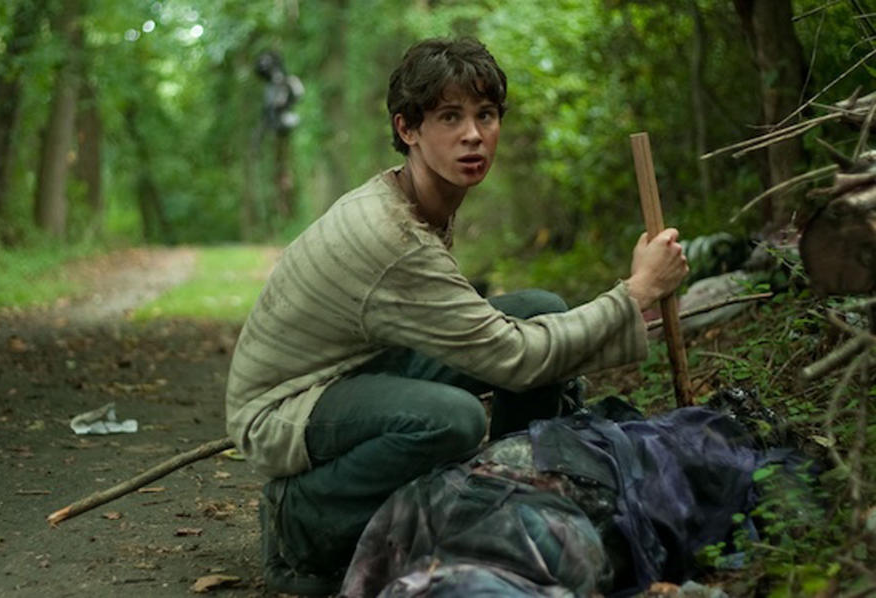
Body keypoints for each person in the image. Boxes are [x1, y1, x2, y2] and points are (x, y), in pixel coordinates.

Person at [224, 37, 688, 595]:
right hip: (284, 406)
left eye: (485, 115)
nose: (473, 134)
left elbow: (504, 336)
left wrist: (621, 313)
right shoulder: (389, 235)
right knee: (451, 418)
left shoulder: (421, 198)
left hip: (356, 369)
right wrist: (635, 294)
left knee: (540, 309)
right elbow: (513, 357)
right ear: (407, 129)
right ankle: (300, 523)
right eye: (449, 117)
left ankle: (512, 502)